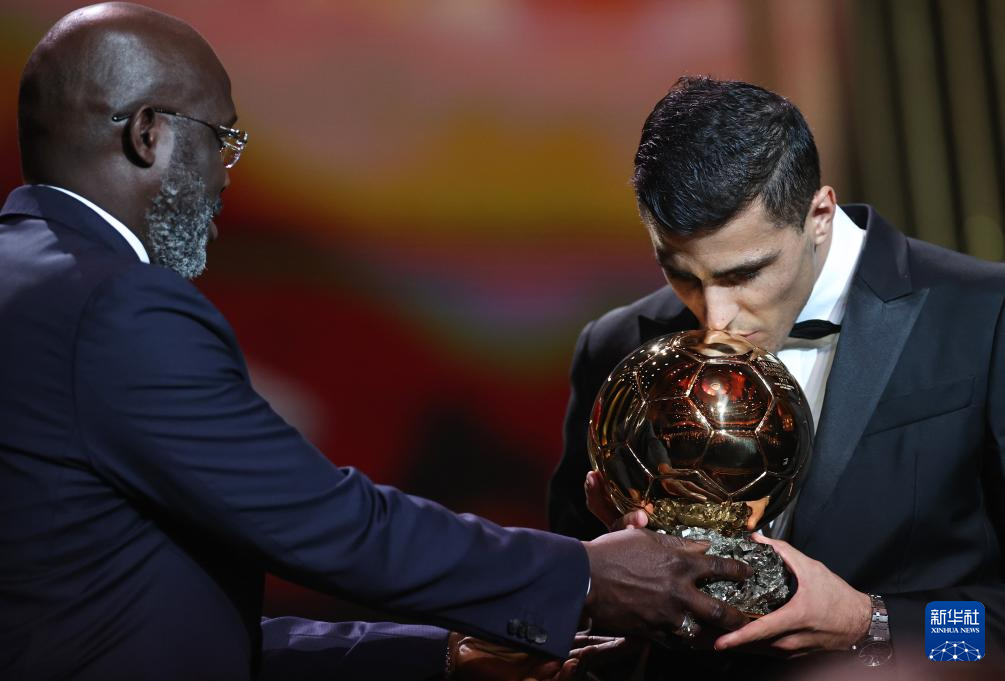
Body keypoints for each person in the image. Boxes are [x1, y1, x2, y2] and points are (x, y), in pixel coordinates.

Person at [0, 6, 753, 681]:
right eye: (222, 140)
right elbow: (322, 522)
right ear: (148, 134)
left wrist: (443, 655)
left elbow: (140, 618)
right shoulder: (117, 306)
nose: (227, 177)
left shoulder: (28, 282)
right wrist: (583, 576)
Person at [549, 75, 1005, 678]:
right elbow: (579, 622)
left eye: (743, 274)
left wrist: (871, 625)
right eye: (681, 274)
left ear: (820, 214)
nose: (715, 320)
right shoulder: (615, 347)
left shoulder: (986, 316)